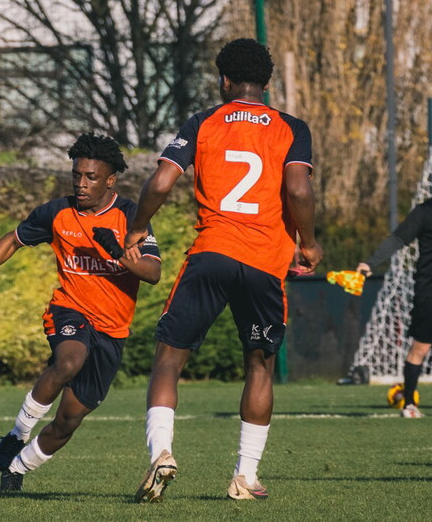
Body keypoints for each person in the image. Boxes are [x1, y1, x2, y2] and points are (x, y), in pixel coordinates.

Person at [122, 38, 323, 502]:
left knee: (170, 359)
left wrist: (138, 228)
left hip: (211, 254)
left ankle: (162, 454)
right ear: (267, 83)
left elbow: (161, 180)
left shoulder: (203, 121)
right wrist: (308, 243)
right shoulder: (292, 128)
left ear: (225, 80)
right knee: (259, 365)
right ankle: (244, 476)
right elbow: (299, 190)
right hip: (264, 262)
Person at [0, 133, 161, 492]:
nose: (81, 183)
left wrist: (119, 253)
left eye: (91, 176)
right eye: (76, 175)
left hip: (113, 331)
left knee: (68, 421)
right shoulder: (57, 212)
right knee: (68, 361)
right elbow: (13, 239)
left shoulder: (131, 216)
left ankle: (16, 468)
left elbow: (153, 273)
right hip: (70, 311)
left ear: (110, 180)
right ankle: (17, 434)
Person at [357, 196, 432, 418]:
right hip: (430, 292)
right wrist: (370, 262)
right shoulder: (425, 211)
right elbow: (398, 239)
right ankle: (409, 404)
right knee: (420, 348)